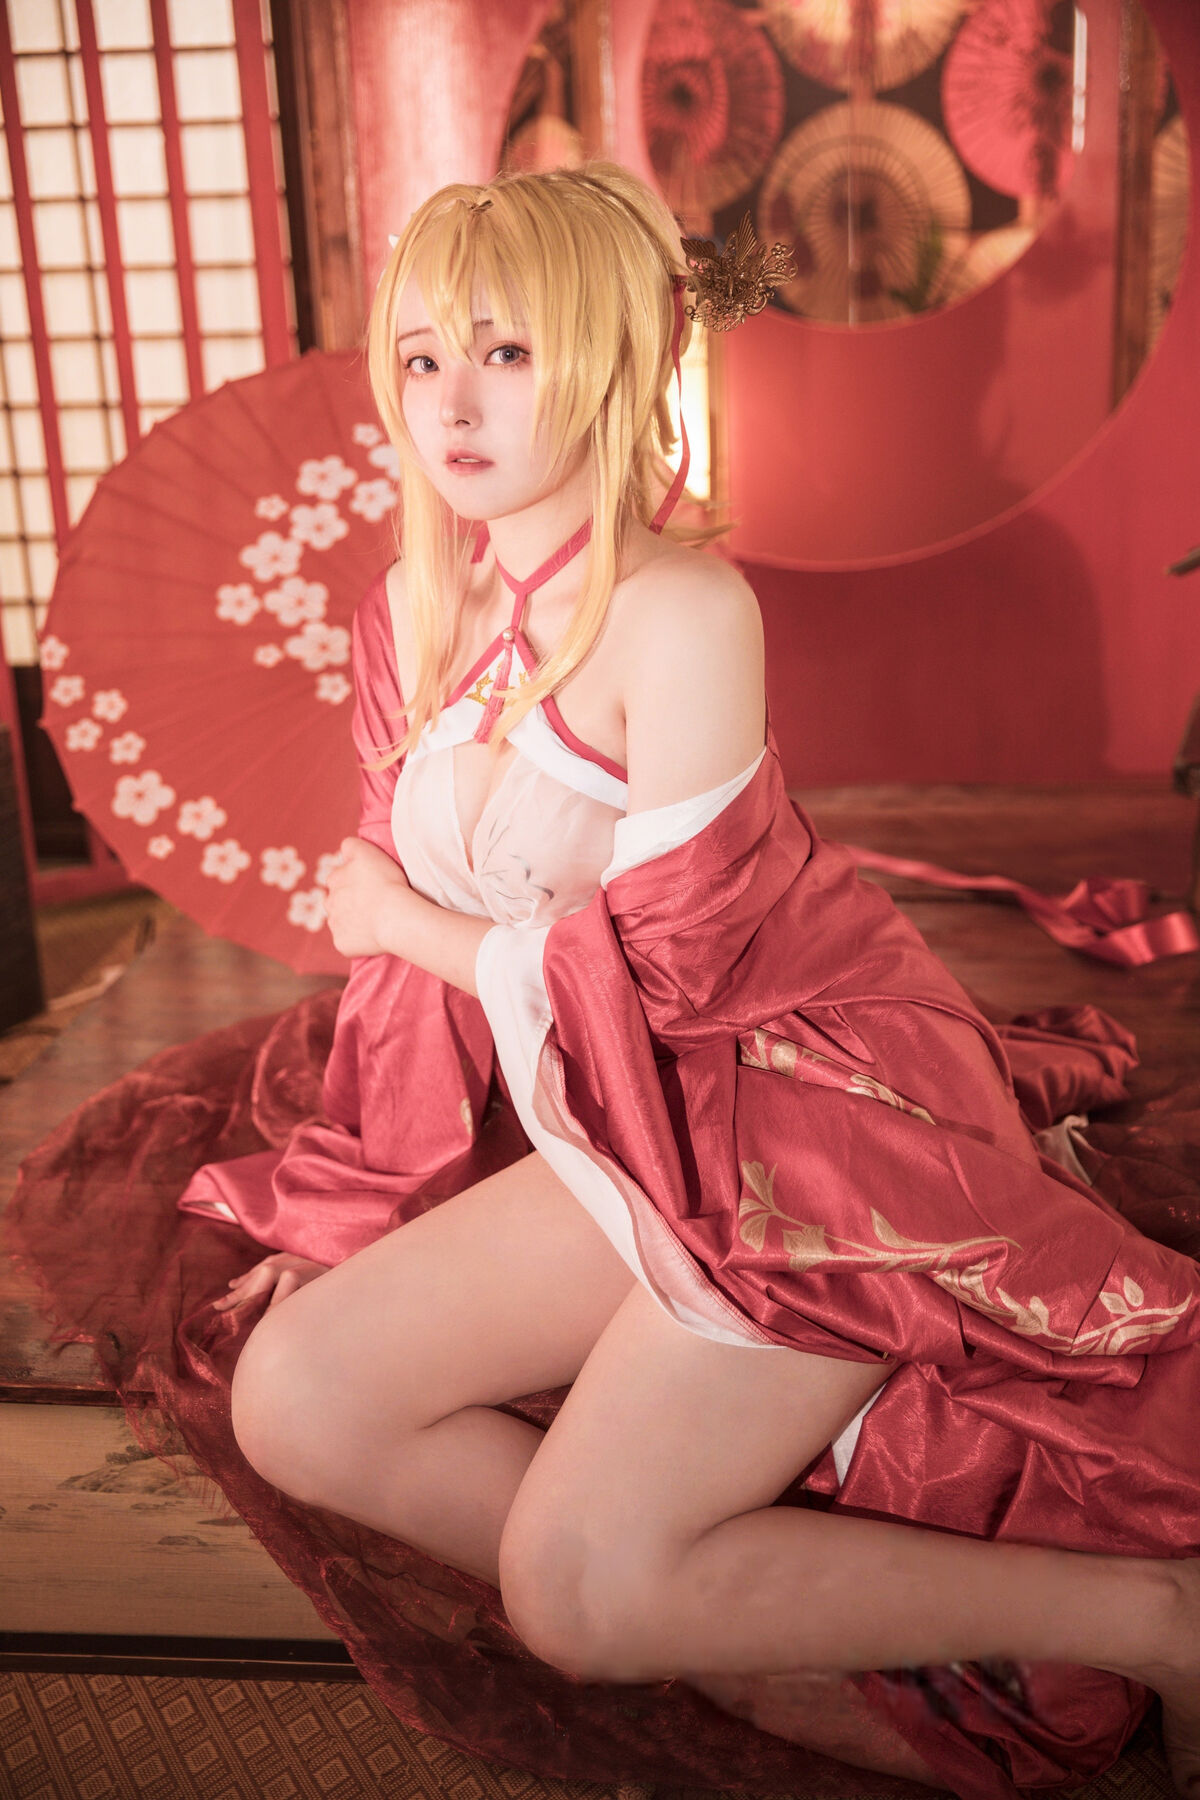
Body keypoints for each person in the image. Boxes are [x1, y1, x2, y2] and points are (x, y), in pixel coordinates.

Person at [196, 163, 1200, 1798]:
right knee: (297, 1397)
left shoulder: (682, 611)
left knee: (570, 1596)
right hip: (612, 1112)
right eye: (425, 355)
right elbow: (413, 992)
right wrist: (353, 1205)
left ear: (609, 358)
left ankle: (1156, 1617)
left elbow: (675, 970)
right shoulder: (412, 611)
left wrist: (397, 921)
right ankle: (770, 1613)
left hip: (797, 1116)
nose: (454, 402)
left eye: (507, 352)